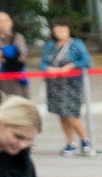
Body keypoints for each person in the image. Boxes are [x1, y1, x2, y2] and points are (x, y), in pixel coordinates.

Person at [40, 22, 93, 155]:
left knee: (71, 114)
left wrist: (71, 65)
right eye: (56, 28)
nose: (59, 31)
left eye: (62, 28)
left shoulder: (76, 44)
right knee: (62, 115)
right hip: (54, 84)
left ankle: (84, 139)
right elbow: (42, 63)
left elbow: (87, 61)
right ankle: (69, 142)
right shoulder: (50, 46)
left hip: (70, 85)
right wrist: (48, 69)